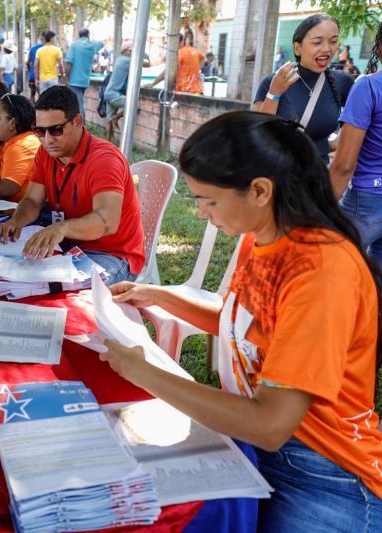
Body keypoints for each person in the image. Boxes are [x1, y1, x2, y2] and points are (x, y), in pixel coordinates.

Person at [102, 110, 382, 531]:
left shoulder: (322, 271)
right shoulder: (264, 236)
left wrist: (142, 371)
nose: (200, 215)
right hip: (260, 447)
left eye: (208, 201)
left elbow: (270, 424)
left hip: (326, 472)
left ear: (259, 190)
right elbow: (246, 325)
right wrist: (160, 295)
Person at [0, 86, 144, 284]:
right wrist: (16, 222)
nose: (47, 140)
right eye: (39, 130)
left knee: (54, 293)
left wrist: (62, 228)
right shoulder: (46, 152)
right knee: (11, 279)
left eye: (56, 130)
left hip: (112, 254)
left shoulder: (104, 159)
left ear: (78, 122)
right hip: (69, 245)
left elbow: (107, 222)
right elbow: (32, 201)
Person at [255, 14, 353, 163]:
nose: (327, 48)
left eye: (333, 41)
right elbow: (260, 135)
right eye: (317, 42)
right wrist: (274, 93)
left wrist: (332, 145)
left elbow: (361, 121)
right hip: (280, 172)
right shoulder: (274, 82)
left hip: (319, 175)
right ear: (297, 48)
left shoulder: (342, 82)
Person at [330, 20, 382, 270]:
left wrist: (321, 208)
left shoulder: (369, 86)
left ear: (379, 48)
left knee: (329, 264)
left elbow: (344, 164)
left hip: (367, 201)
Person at [65, 28, 104, 121]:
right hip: (85, 80)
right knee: (78, 102)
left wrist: (67, 78)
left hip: (74, 80)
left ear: (79, 35)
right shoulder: (92, 45)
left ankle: (82, 125)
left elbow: (69, 63)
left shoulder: (74, 45)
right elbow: (102, 43)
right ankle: (78, 124)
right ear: (88, 34)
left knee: (78, 104)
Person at [26, 32, 45, 102]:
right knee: (42, 96)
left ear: (40, 38)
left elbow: (28, 62)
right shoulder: (47, 49)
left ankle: (31, 110)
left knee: (32, 94)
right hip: (43, 76)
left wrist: (29, 70)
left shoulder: (33, 48)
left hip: (32, 76)